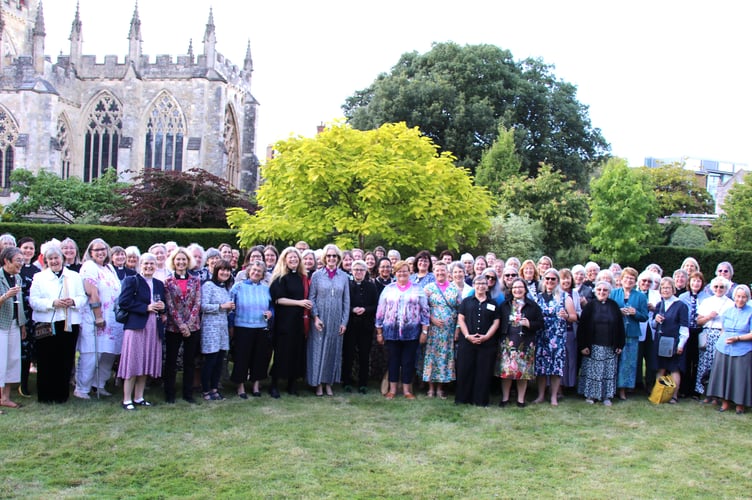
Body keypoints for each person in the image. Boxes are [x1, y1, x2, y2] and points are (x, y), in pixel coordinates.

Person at [29, 245, 86, 404]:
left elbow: (82, 298)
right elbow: (33, 301)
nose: (54, 261)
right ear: (46, 261)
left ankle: (61, 395)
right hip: (47, 323)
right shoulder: (39, 277)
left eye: (56, 258)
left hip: (69, 323)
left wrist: (73, 301)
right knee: (46, 359)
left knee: (65, 358)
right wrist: (52, 303)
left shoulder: (74, 276)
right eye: (51, 259)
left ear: (62, 259)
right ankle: (46, 395)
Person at [117, 253, 166, 410]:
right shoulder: (132, 281)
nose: (149, 266)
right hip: (137, 326)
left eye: (152, 263)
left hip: (153, 326)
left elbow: (162, 300)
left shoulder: (159, 283)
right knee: (133, 362)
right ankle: (126, 399)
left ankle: (139, 397)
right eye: (146, 263)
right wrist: (145, 307)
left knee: (145, 362)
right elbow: (124, 302)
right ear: (140, 264)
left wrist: (163, 307)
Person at [75, 239, 122, 399]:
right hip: (95, 316)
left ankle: (99, 384)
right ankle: (82, 388)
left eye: (103, 249)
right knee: (91, 353)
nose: (101, 252)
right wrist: (98, 316)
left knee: (108, 353)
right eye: (96, 250)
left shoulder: (109, 267)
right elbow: (92, 292)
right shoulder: (89, 267)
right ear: (90, 252)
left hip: (112, 318)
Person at [375, 260, 429, 400]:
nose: (402, 273)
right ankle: (392, 390)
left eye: (405, 270)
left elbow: (425, 311)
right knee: (393, 361)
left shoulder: (417, 288)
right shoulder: (388, 289)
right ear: (395, 273)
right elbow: (380, 311)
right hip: (391, 332)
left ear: (409, 272)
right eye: (399, 271)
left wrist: (424, 331)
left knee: (408, 361)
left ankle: (407, 390)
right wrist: (379, 332)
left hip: (411, 333)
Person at [307, 244, 350, 396]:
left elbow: (346, 301)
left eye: (335, 256)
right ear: (324, 258)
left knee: (333, 351)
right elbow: (311, 298)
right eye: (329, 256)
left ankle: (328, 383)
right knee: (318, 350)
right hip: (320, 319)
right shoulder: (317, 275)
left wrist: (344, 322)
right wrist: (315, 317)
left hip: (336, 319)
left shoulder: (344, 277)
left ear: (338, 258)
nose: (332, 258)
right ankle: (317, 383)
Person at [269, 247, 311, 397]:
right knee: (282, 353)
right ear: (284, 260)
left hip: (298, 322)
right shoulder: (280, 278)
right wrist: (299, 303)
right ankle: (274, 385)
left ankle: (292, 385)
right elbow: (279, 299)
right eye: (290, 258)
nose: (293, 260)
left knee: (296, 352)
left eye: (296, 258)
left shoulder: (302, 277)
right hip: (284, 322)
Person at [163, 247, 202, 404]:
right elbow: (170, 305)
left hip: (193, 327)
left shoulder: (196, 280)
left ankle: (188, 393)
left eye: (184, 259)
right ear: (173, 262)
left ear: (188, 261)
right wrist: (181, 325)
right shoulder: (167, 282)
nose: (181, 262)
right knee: (171, 362)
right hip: (174, 327)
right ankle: (170, 394)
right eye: (178, 259)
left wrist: (189, 324)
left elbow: (197, 303)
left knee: (189, 361)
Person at [230, 260, 273, 399]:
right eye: (254, 270)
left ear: (262, 275)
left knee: (259, 357)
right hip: (242, 326)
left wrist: (271, 313)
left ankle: (255, 384)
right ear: (249, 271)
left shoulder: (266, 288)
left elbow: (272, 306)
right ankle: (240, 385)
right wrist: (231, 325)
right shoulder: (238, 286)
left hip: (261, 327)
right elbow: (231, 307)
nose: (256, 273)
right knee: (242, 357)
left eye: (259, 272)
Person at [534, 269, 577, 406]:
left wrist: (566, 316)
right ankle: (540, 395)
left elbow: (574, 317)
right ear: (543, 280)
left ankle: (554, 396)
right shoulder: (538, 297)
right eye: (547, 279)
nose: (550, 281)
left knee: (555, 368)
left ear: (557, 281)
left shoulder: (565, 297)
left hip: (557, 338)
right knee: (541, 368)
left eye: (553, 279)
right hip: (541, 336)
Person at [498, 278, 544, 407]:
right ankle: (505, 398)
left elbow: (541, 323)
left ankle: (521, 399)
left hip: (526, 342)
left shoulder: (532, 305)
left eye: (520, 287)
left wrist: (529, 323)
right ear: (511, 290)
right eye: (514, 287)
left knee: (523, 373)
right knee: (506, 372)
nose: (517, 290)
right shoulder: (505, 305)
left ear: (525, 289)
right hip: (508, 342)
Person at [455, 275, 500, 406]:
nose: (481, 286)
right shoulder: (466, 301)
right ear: (474, 285)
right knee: (465, 370)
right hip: (467, 342)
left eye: (483, 283)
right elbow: (461, 319)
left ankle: (480, 400)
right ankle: (463, 399)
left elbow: (496, 322)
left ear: (487, 286)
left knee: (483, 372)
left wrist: (486, 336)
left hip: (487, 344)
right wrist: (468, 335)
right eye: (478, 283)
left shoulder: (493, 304)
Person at [578, 280, 625, 406]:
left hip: (610, 345)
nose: (602, 292)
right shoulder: (590, 306)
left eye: (605, 290)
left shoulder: (614, 306)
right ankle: (592, 395)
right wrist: (583, 345)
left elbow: (620, 326)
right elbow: (582, 327)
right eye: (599, 290)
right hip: (593, 345)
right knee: (594, 372)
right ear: (595, 291)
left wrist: (620, 344)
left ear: (609, 292)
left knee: (608, 372)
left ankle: (606, 396)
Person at [706, 285, 752, 414]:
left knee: (740, 377)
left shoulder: (751, 312)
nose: (740, 299)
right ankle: (724, 402)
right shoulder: (727, 311)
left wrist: (737, 338)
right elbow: (723, 329)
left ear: (747, 298)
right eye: (738, 296)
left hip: (743, 348)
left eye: (744, 297)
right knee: (724, 375)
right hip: (724, 347)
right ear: (734, 297)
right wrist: (723, 341)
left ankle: (740, 404)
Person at [422, 261, 461, 399]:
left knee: (444, 357)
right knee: (432, 356)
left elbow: (460, 310)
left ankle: (440, 388)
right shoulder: (428, 288)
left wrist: (457, 329)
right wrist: (431, 318)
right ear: (434, 272)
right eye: (437, 271)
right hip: (433, 330)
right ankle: (431, 388)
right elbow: (422, 308)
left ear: (447, 272)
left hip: (448, 331)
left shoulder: (454, 289)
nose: (440, 273)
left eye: (443, 270)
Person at [610, 267, 649, 401]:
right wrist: (618, 311)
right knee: (613, 360)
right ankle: (611, 388)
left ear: (635, 281)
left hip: (631, 334)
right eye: (626, 278)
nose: (628, 280)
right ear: (621, 279)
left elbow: (645, 316)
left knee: (628, 363)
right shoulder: (614, 293)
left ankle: (623, 390)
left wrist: (635, 313)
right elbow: (608, 311)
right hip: (615, 332)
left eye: (632, 279)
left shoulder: (641, 296)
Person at [342, 260, 378, 394]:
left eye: (361, 270)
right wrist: (352, 309)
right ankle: (347, 381)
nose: (358, 272)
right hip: (350, 325)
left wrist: (365, 309)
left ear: (365, 272)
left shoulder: (371, 286)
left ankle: (363, 383)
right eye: (356, 269)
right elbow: (343, 304)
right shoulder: (347, 285)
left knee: (364, 355)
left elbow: (375, 306)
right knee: (348, 354)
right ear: (351, 271)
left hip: (366, 326)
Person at [651, 277, 689, 404]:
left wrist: (681, 344)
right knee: (660, 368)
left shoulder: (681, 306)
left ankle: (674, 396)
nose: (665, 290)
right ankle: (659, 394)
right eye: (663, 288)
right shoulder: (659, 304)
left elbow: (684, 327)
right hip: (660, 340)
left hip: (674, 341)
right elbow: (653, 326)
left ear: (673, 289)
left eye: (668, 288)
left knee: (674, 369)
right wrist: (655, 320)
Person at [200, 260, 234, 399]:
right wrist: (222, 306)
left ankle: (214, 388)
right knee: (210, 360)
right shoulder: (208, 285)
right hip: (210, 328)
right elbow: (203, 306)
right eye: (222, 270)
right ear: (216, 271)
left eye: (228, 270)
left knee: (220, 360)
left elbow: (226, 308)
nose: (225, 273)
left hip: (222, 329)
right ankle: (206, 390)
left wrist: (229, 309)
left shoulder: (225, 288)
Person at [694, 276, 732, 402]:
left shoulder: (730, 303)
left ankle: (716, 394)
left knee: (718, 365)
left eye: (722, 287)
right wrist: (709, 316)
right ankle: (705, 392)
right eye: (716, 286)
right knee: (704, 364)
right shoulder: (707, 301)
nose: (719, 289)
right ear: (712, 288)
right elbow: (698, 321)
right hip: (707, 335)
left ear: (726, 288)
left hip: (722, 335)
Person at [0, 247, 27, 410]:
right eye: (18, 260)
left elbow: (21, 303)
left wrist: (22, 325)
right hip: (1, 324)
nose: (21, 263)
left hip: (14, 324)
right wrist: (5, 296)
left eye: (22, 260)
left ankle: (5, 397)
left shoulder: (17, 277)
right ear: (6, 261)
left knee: (12, 360)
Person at [17, 237, 39, 398]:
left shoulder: (37, 271)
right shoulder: (15, 269)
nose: (28, 251)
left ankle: (24, 384)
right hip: (17, 316)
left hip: (33, 317)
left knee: (28, 350)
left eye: (31, 248)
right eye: (25, 248)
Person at [558, 268, 582, 390]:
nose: (566, 280)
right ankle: (558, 387)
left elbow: (578, 312)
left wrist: (570, 314)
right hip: (556, 332)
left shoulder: (575, 293)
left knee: (570, 359)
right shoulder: (555, 293)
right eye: (563, 278)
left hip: (571, 329)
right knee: (559, 360)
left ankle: (569, 384)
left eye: (568, 278)